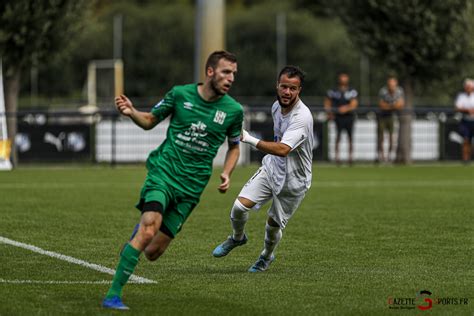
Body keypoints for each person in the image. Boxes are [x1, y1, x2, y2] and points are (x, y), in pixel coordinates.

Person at [102, 51, 243, 310]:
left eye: (234, 73)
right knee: (148, 229)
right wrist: (131, 111)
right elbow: (149, 121)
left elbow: (234, 147)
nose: (231, 78)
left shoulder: (233, 111)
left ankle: (141, 233)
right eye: (225, 72)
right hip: (164, 174)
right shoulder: (180, 94)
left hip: (191, 189)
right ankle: (113, 295)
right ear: (210, 72)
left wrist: (227, 172)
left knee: (153, 252)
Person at [212, 66, 313, 272]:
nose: (287, 92)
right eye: (284, 86)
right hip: (272, 168)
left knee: (273, 225)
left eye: (292, 89)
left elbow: (284, 149)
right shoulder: (276, 107)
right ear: (277, 85)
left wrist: (248, 138)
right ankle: (237, 238)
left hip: (294, 180)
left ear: (299, 90)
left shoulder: (302, 117)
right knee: (239, 207)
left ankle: (266, 256)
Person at [323, 73, 358, 165]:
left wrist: (345, 109)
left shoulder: (351, 91)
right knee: (338, 137)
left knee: (350, 137)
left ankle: (350, 158)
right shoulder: (334, 91)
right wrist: (330, 113)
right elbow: (327, 103)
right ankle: (337, 158)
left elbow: (354, 104)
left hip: (349, 117)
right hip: (338, 117)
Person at [377, 76, 405, 162]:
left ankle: (389, 156)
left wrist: (389, 106)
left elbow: (401, 105)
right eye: (390, 85)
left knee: (391, 137)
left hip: (392, 116)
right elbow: (381, 105)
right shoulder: (383, 91)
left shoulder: (399, 91)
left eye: (393, 85)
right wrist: (393, 106)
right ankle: (381, 156)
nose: (391, 87)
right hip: (382, 116)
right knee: (381, 137)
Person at [455, 78, 474, 163]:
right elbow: (458, 108)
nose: (468, 88)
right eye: (466, 87)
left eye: (469, 87)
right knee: (466, 140)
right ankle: (465, 159)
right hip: (466, 121)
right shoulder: (461, 96)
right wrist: (467, 110)